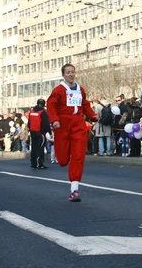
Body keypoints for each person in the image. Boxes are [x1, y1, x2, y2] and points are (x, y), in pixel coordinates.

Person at [47, 63, 99, 202]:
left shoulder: (80, 89)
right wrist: (54, 120)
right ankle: (62, 154)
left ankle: (74, 189)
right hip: (63, 125)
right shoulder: (58, 90)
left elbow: (85, 105)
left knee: (78, 155)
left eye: (72, 72)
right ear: (63, 75)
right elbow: (50, 105)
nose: (71, 74)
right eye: (68, 72)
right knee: (63, 160)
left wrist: (92, 115)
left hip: (78, 123)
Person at [28, 99, 51, 170]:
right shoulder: (42, 112)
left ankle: (33, 163)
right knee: (40, 148)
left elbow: (29, 122)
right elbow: (46, 123)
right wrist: (48, 131)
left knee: (34, 148)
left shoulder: (31, 111)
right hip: (40, 133)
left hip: (32, 132)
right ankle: (39, 164)